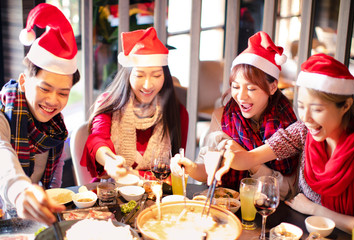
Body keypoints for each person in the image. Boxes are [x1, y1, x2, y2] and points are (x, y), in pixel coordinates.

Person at [216, 53, 354, 233]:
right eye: (301, 106)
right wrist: (227, 156)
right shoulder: (302, 131)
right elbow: (250, 158)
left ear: (345, 106)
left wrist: (315, 210)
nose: (306, 118)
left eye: (316, 109)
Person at [171, 31, 298, 199]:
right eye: (236, 87)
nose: (241, 96)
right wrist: (189, 167)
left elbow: (287, 190)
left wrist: (249, 161)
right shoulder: (223, 116)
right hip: (228, 205)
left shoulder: (288, 125)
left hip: (270, 210)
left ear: (273, 87)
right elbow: (208, 169)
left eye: (252, 88)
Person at [0, 3, 80, 225]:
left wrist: (50, 200)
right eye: (45, 89)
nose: (53, 100)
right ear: (24, 82)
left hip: (31, 220)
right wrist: (20, 190)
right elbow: (1, 152)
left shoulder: (56, 127)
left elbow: (56, 172)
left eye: (63, 93)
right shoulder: (3, 113)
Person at [81, 27, 188, 181]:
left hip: (157, 193)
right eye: (139, 75)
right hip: (112, 188)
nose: (147, 85)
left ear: (165, 76)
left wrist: (136, 176)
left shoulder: (177, 111)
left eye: (156, 75)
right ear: (128, 74)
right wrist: (110, 162)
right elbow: (97, 139)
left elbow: (176, 169)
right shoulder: (109, 102)